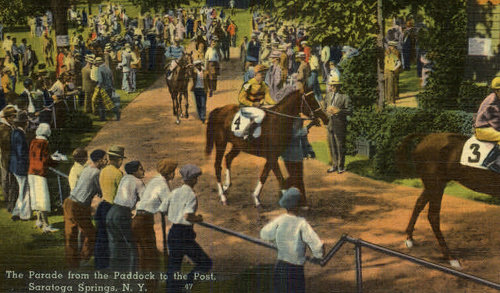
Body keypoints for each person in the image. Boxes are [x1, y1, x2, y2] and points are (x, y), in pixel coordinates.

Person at [260, 187, 324, 293]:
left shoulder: (280, 219)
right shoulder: (301, 223)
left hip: (280, 266)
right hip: (295, 269)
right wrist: (319, 255)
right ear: (298, 206)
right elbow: (316, 244)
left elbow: (264, 234)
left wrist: (275, 240)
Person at [162, 164, 212, 292]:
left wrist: (174, 213)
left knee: (174, 266)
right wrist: (198, 218)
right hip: (185, 235)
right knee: (205, 263)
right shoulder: (191, 195)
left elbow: (162, 209)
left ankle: (173, 290)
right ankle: (186, 284)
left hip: (173, 233)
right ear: (193, 179)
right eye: (196, 178)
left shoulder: (174, 192)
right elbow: (188, 216)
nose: (196, 181)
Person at [132, 158, 177, 292]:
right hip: (143, 221)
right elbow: (170, 206)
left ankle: (145, 285)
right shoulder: (163, 185)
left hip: (137, 219)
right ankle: (152, 287)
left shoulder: (156, 180)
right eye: (173, 171)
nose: (174, 174)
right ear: (169, 173)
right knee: (151, 256)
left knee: (143, 255)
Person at [64, 149, 107, 267]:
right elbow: (102, 191)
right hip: (79, 206)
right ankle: (84, 258)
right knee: (91, 233)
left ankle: (72, 263)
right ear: (98, 161)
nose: (106, 161)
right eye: (104, 159)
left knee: (70, 234)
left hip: (68, 202)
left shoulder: (86, 169)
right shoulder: (96, 173)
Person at [107, 160, 145, 271]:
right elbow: (145, 200)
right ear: (134, 171)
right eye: (141, 169)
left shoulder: (124, 178)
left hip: (112, 211)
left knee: (115, 245)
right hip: (122, 214)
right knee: (132, 246)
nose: (143, 171)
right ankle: (132, 275)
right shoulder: (138, 182)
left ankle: (115, 275)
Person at [94, 145, 125, 269]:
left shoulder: (103, 170)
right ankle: (115, 264)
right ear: (119, 160)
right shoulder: (118, 173)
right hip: (112, 207)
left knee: (101, 237)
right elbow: (120, 195)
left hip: (102, 206)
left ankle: (100, 264)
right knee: (114, 238)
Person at [27, 123, 59, 232]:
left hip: (31, 172)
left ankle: (39, 220)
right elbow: (45, 159)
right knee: (43, 199)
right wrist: (55, 160)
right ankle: (46, 225)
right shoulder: (44, 142)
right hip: (40, 172)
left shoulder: (33, 141)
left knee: (36, 197)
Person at [238, 64, 276, 140]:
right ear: (256, 74)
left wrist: (276, 104)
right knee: (261, 114)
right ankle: (247, 133)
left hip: (258, 107)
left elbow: (268, 98)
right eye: (262, 74)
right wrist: (252, 104)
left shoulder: (265, 85)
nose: (264, 76)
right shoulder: (248, 84)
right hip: (246, 108)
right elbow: (241, 98)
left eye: (265, 74)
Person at [323, 78, 351, 174]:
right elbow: (324, 108)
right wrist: (327, 111)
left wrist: (339, 111)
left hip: (340, 123)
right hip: (330, 123)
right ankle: (334, 165)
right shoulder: (328, 96)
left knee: (340, 145)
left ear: (338, 86)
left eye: (334, 85)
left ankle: (341, 166)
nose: (332, 87)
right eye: (331, 85)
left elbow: (350, 111)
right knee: (331, 145)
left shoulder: (344, 97)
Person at [9, 111, 31, 221]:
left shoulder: (14, 132)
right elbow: (21, 153)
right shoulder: (20, 135)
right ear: (25, 123)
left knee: (22, 190)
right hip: (20, 166)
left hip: (15, 166)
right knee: (25, 191)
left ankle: (17, 212)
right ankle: (24, 214)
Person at [475, 77, 500, 145]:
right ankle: (492, 156)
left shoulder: (497, 98)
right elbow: (496, 124)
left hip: (490, 128)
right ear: (496, 91)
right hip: (482, 130)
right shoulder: (491, 103)